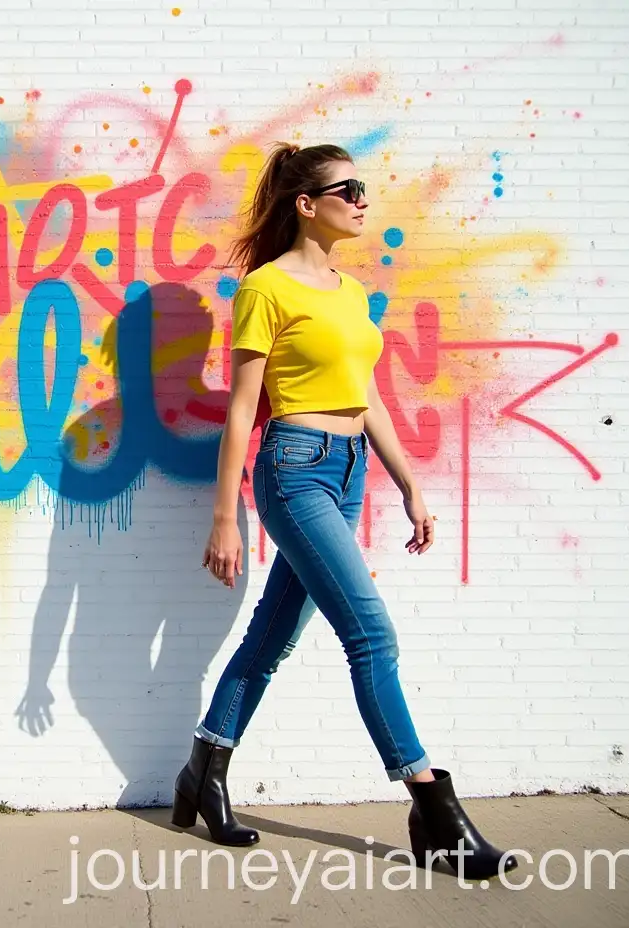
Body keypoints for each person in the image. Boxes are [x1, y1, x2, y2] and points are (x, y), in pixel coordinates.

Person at [170, 142, 519, 881]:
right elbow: (242, 410)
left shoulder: (353, 293)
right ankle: (433, 809)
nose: (363, 199)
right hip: (293, 470)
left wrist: (410, 484)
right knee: (370, 633)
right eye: (348, 188)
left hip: (350, 468)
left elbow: (370, 398)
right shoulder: (265, 289)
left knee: (271, 637)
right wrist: (226, 516)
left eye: (364, 188)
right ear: (307, 204)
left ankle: (203, 769)